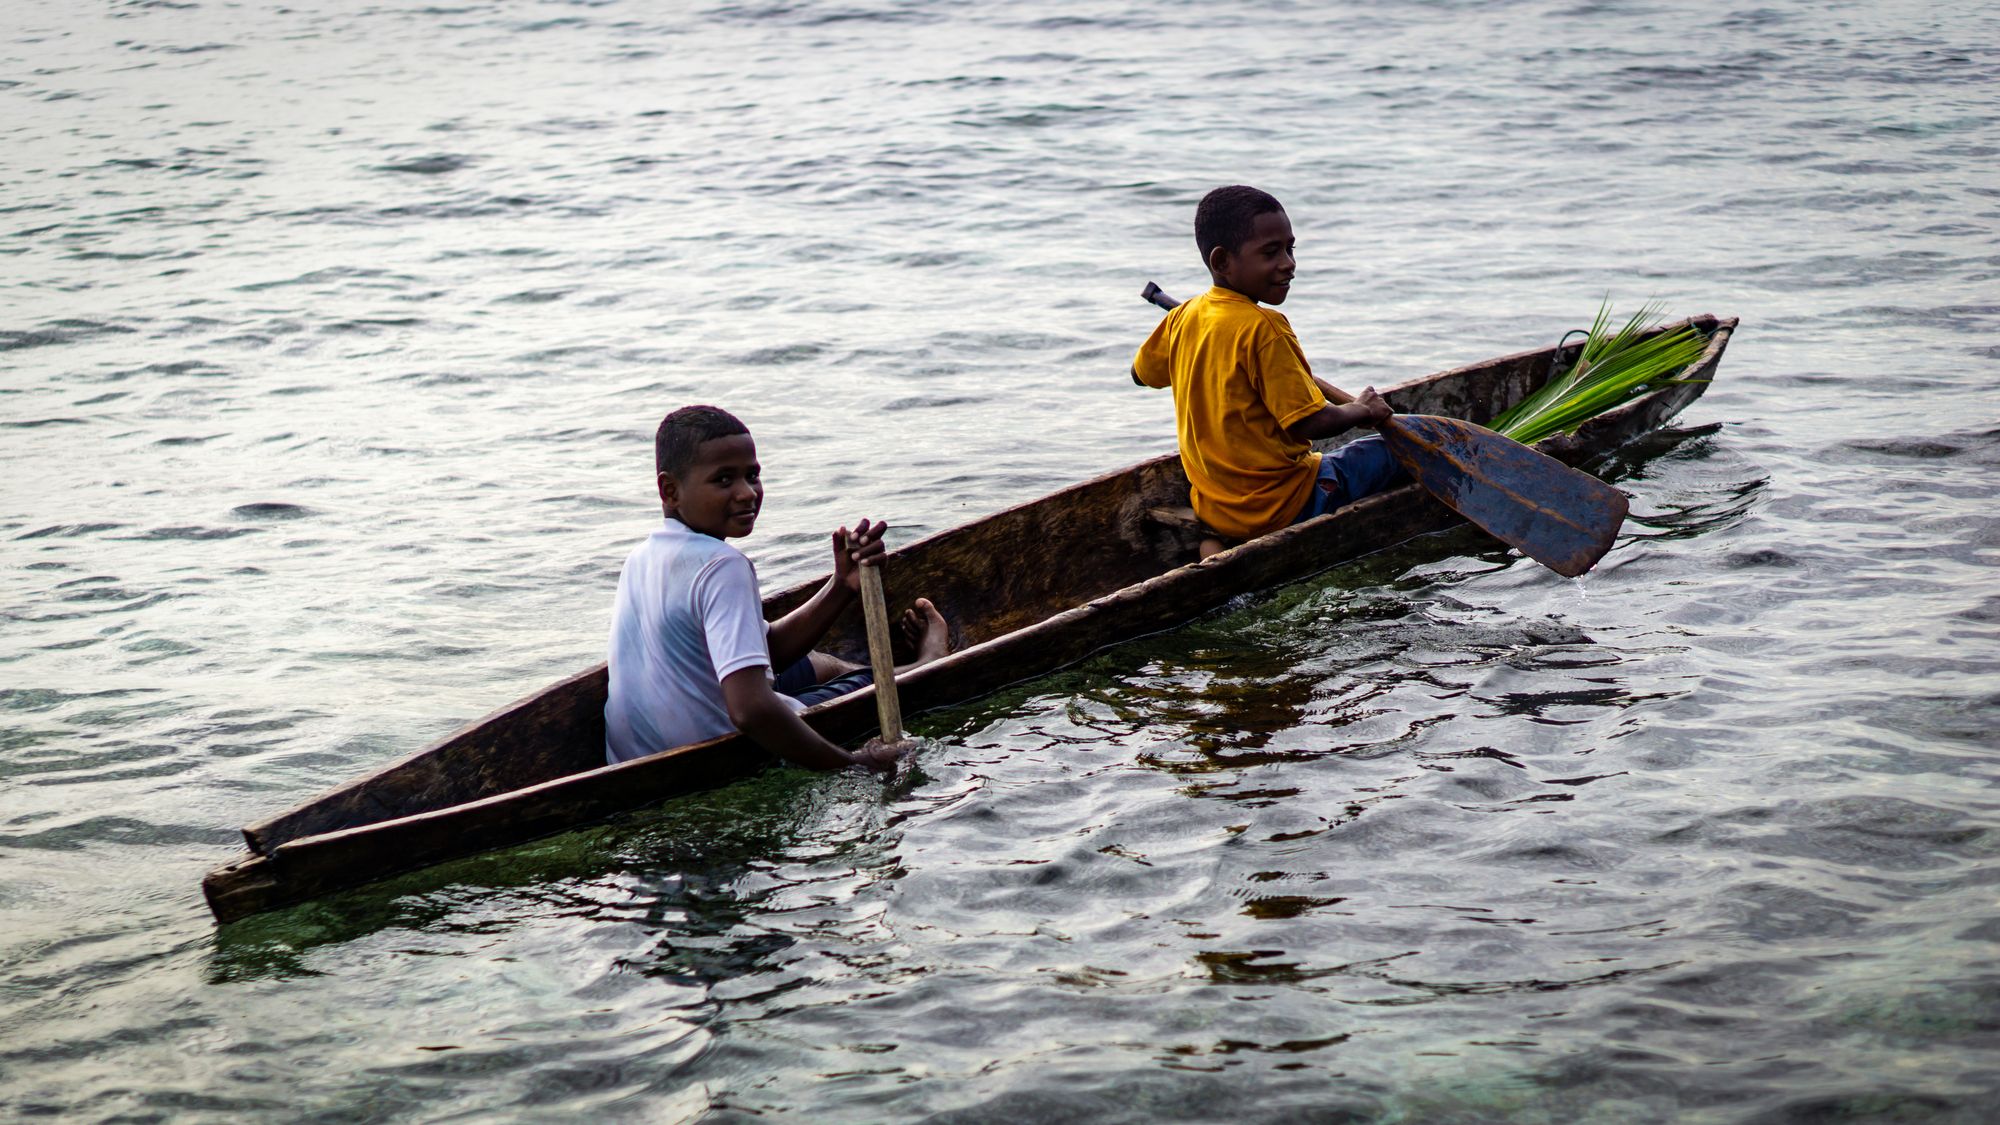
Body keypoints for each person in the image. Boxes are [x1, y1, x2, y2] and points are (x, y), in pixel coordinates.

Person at [603, 405, 950, 770]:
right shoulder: (724, 566)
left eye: (752, 475)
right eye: (724, 480)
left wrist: (841, 586)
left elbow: (762, 651)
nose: (747, 493)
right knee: (858, 680)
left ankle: (850, 669)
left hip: (634, 755)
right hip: (709, 752)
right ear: (670, 490)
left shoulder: (640, 557)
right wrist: (856, 763)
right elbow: (750, 710)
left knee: (818, 663)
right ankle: (930, 665)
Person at [1132, 185, 1407, 559]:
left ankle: (1215, 542)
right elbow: (1309, 423)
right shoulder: (1265, 328)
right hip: (1281, 506)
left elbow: (1141, 374)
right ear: (1222, 262)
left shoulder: (1186, 317)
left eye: (1290, 248)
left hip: (1219, 506)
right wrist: (1361, 410)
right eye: (1271, 252)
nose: (1288, 263)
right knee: (1393, 451)